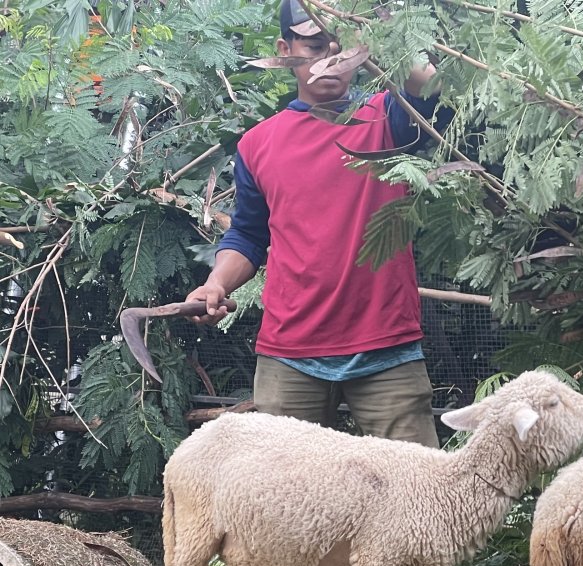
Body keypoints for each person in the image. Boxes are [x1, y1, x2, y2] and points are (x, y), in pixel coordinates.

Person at [188, 0, 446, 447]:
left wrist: (376, 29)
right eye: (312, 45)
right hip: (290, 353)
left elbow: (430, 81)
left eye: (339, 46)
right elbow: (248, 235)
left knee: (416, 497)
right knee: (281, 506)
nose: (328, 58)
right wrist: (216, 284)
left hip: (386, 347)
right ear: (284, 48)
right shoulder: (257, 144)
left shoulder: (390, 117)